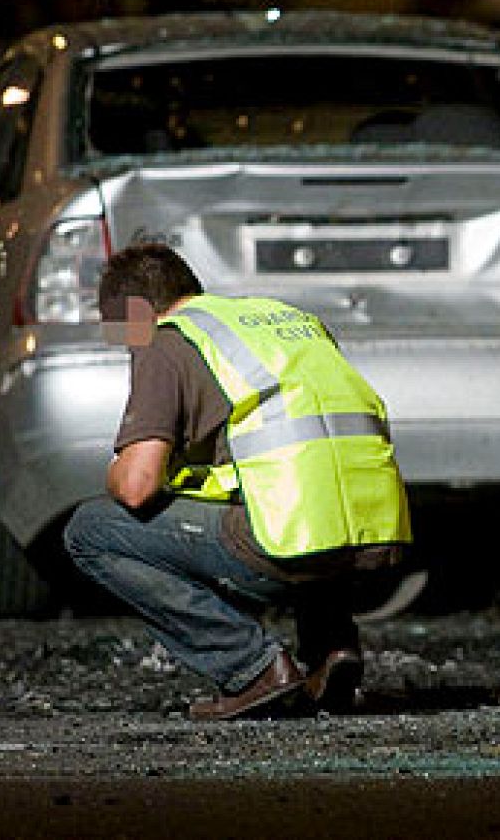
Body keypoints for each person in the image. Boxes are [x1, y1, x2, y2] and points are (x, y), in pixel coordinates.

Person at [64, 244, 411, 720]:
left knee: (91, 529)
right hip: (372, 540)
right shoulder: (283, 321)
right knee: (302, 492)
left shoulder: (168, 342)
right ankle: (330, 651)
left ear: (136, 315)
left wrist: (118, 468)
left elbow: (137, 485)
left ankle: (253, 668)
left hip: (284, 545)